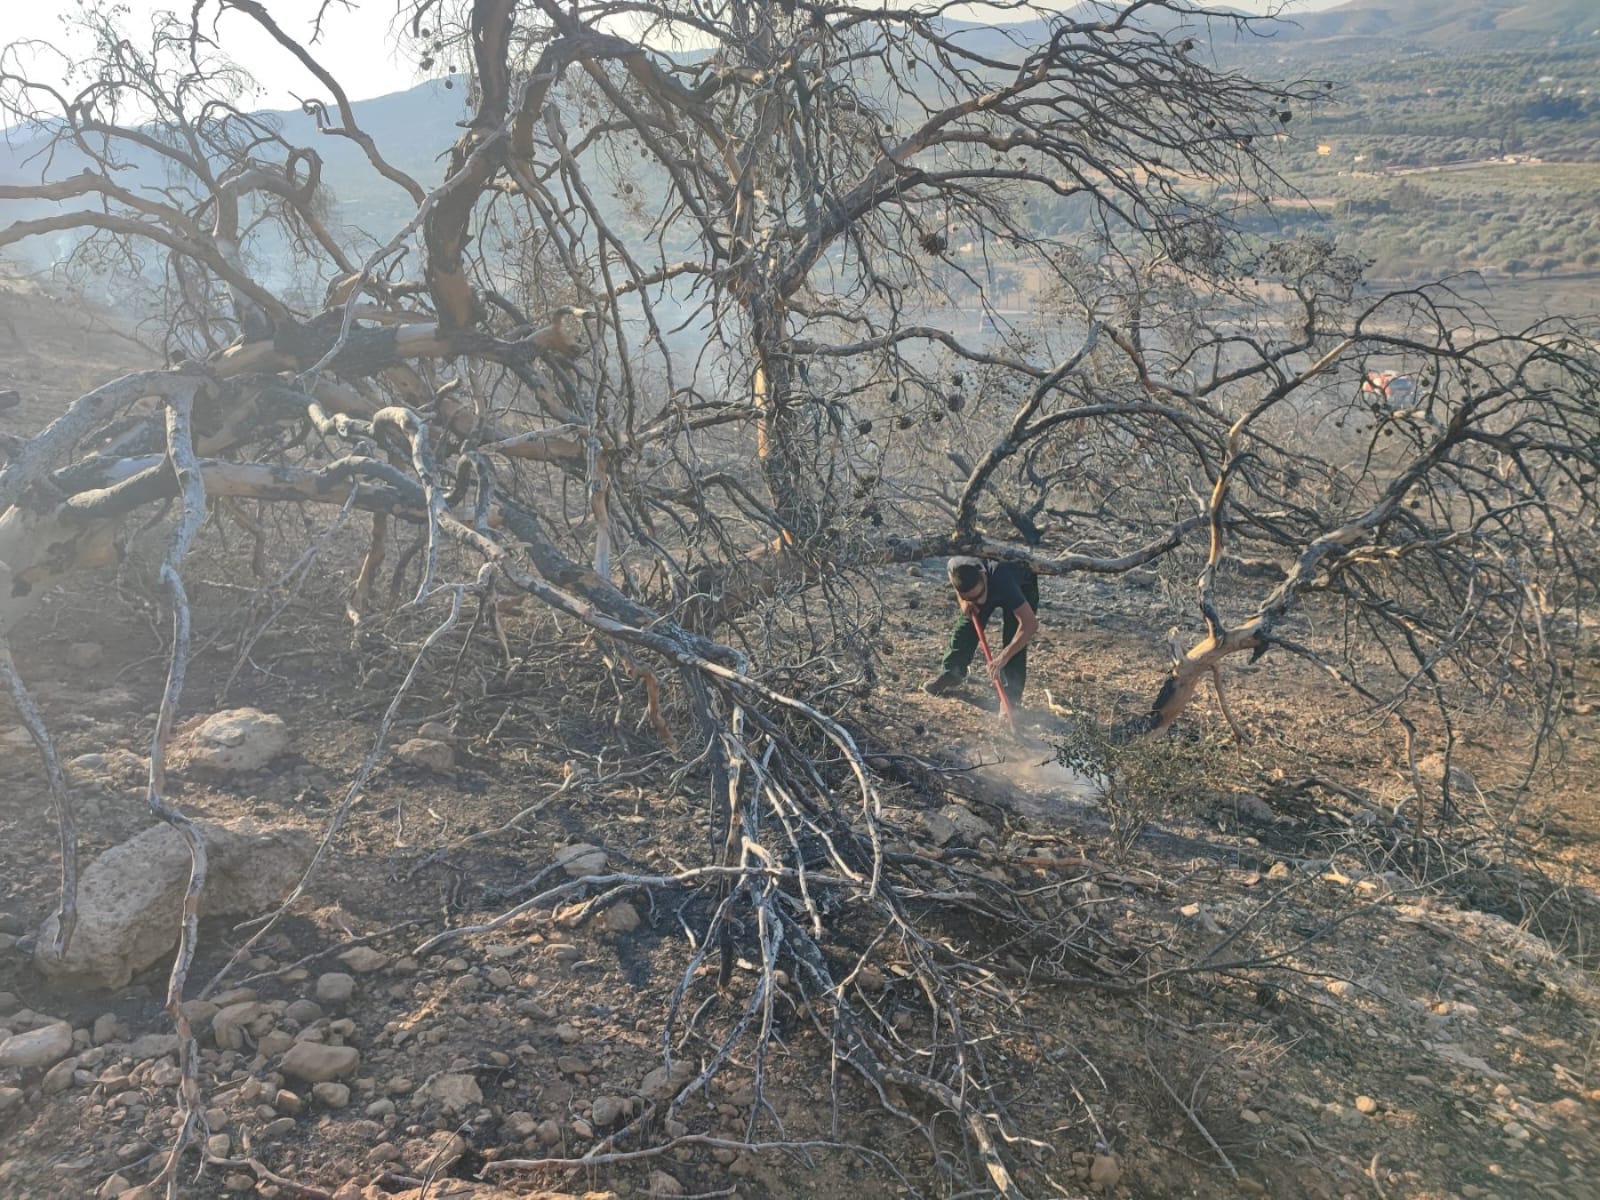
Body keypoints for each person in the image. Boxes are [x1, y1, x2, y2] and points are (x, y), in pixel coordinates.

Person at [922, 556, 1040, 708]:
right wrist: (963, 601)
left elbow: (1030, 624)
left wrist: (1002, 657)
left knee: (1014, 638)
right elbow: (953, 577)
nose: (979, 602)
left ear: (983, 574)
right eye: (971, 597)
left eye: (978, 595)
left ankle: (1010, 698)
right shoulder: (956, 566)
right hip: (988, 585)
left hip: (1020, 585)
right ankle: (952, 673)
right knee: (966, 627)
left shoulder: (1002, 579)